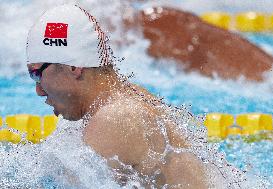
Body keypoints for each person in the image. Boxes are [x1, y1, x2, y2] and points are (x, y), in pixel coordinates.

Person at [27, 4, 220, 188]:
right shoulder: (128, 98)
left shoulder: (114, 119)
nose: (38, 90)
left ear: (73, 67)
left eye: (36, 74)